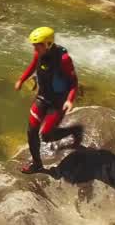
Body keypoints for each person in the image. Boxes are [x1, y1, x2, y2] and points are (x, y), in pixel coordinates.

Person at [14, 26, 81, 174]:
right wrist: (21, 80)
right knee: (31, 131)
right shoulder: (39, 53)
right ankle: (37, 164)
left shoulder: (64, 59)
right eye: (34, 45)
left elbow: (74, 82)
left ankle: (74, 131)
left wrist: (69, 100)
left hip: (58, 101)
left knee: (46, 136)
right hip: (42, 96)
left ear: (48, 44)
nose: (35, 49)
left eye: (37, 45)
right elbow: (32, 67)